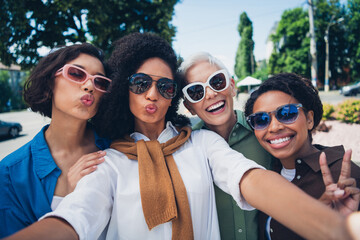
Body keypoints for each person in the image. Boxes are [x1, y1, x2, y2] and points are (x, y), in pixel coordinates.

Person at [4, 33, 354, 240]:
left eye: (165, 86)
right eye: (140, 84)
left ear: (174, 96)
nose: (152, 95)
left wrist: (339, 228)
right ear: (124, 89)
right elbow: (76, 218)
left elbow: (250, 179)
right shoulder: (109, 161)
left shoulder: (202, 142)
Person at [0, 43, 112, 237]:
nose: (89, 86)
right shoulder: (9, 173)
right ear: (50, 81)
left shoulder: (117, 147)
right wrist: (72, 199)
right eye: (77, 73)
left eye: (100, 82)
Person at [243, 73, 360, 240]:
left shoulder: (345, 178)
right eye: (261, 119)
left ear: (310, 119)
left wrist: (338, 229)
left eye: (287, 113)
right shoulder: (267, 173)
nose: (274, 127)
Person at [179, 52, 273, 240]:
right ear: (189, 107)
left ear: (232, 86)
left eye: (217, 82)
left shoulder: (265, 132)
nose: (211, 93)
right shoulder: (184, 149)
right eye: (197, 91)